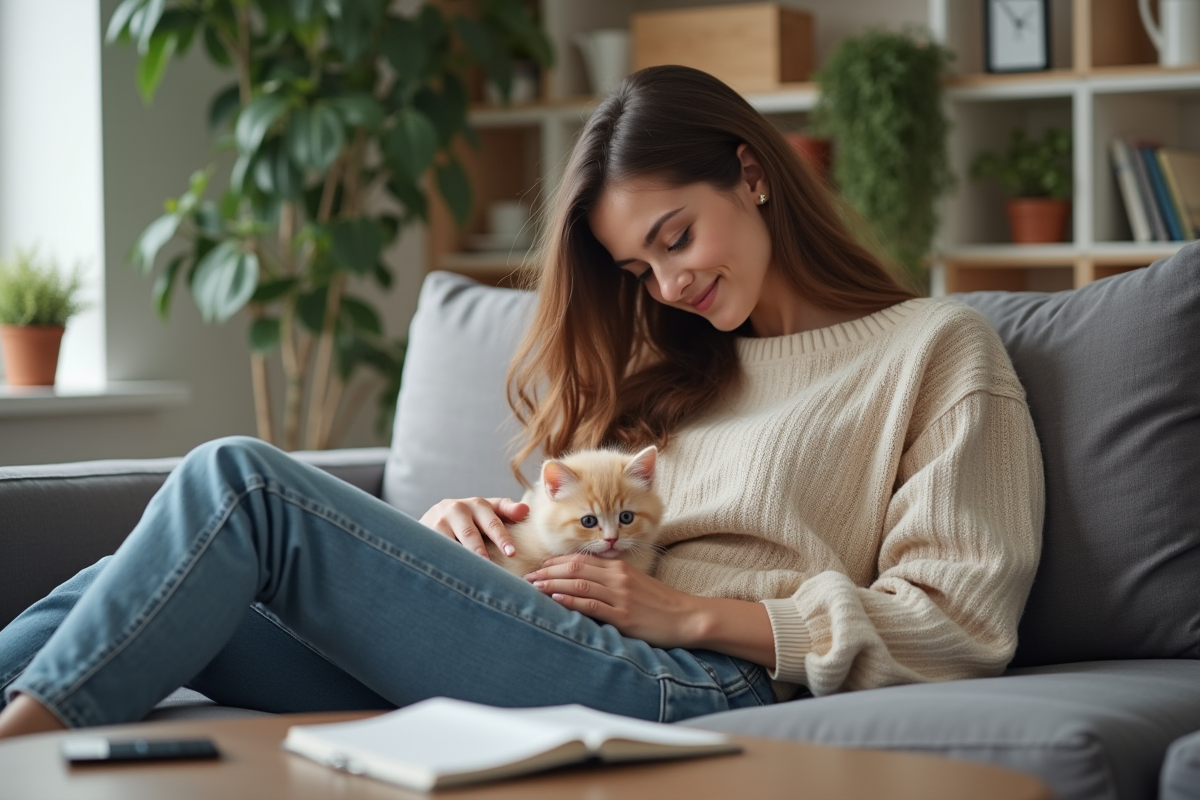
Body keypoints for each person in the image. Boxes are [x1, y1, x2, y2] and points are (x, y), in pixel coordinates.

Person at [0, 65, 1043, 739]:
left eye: (676, 237)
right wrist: (467, 534)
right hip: (564, 634)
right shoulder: (680, 363)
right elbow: (577, 531)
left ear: (752, 173)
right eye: (639, 268)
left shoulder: (934, 349)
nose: (669, 284)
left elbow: (957, 623)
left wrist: (693, 615)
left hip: (697, 679)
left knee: (240, 482)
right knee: (144, 573)